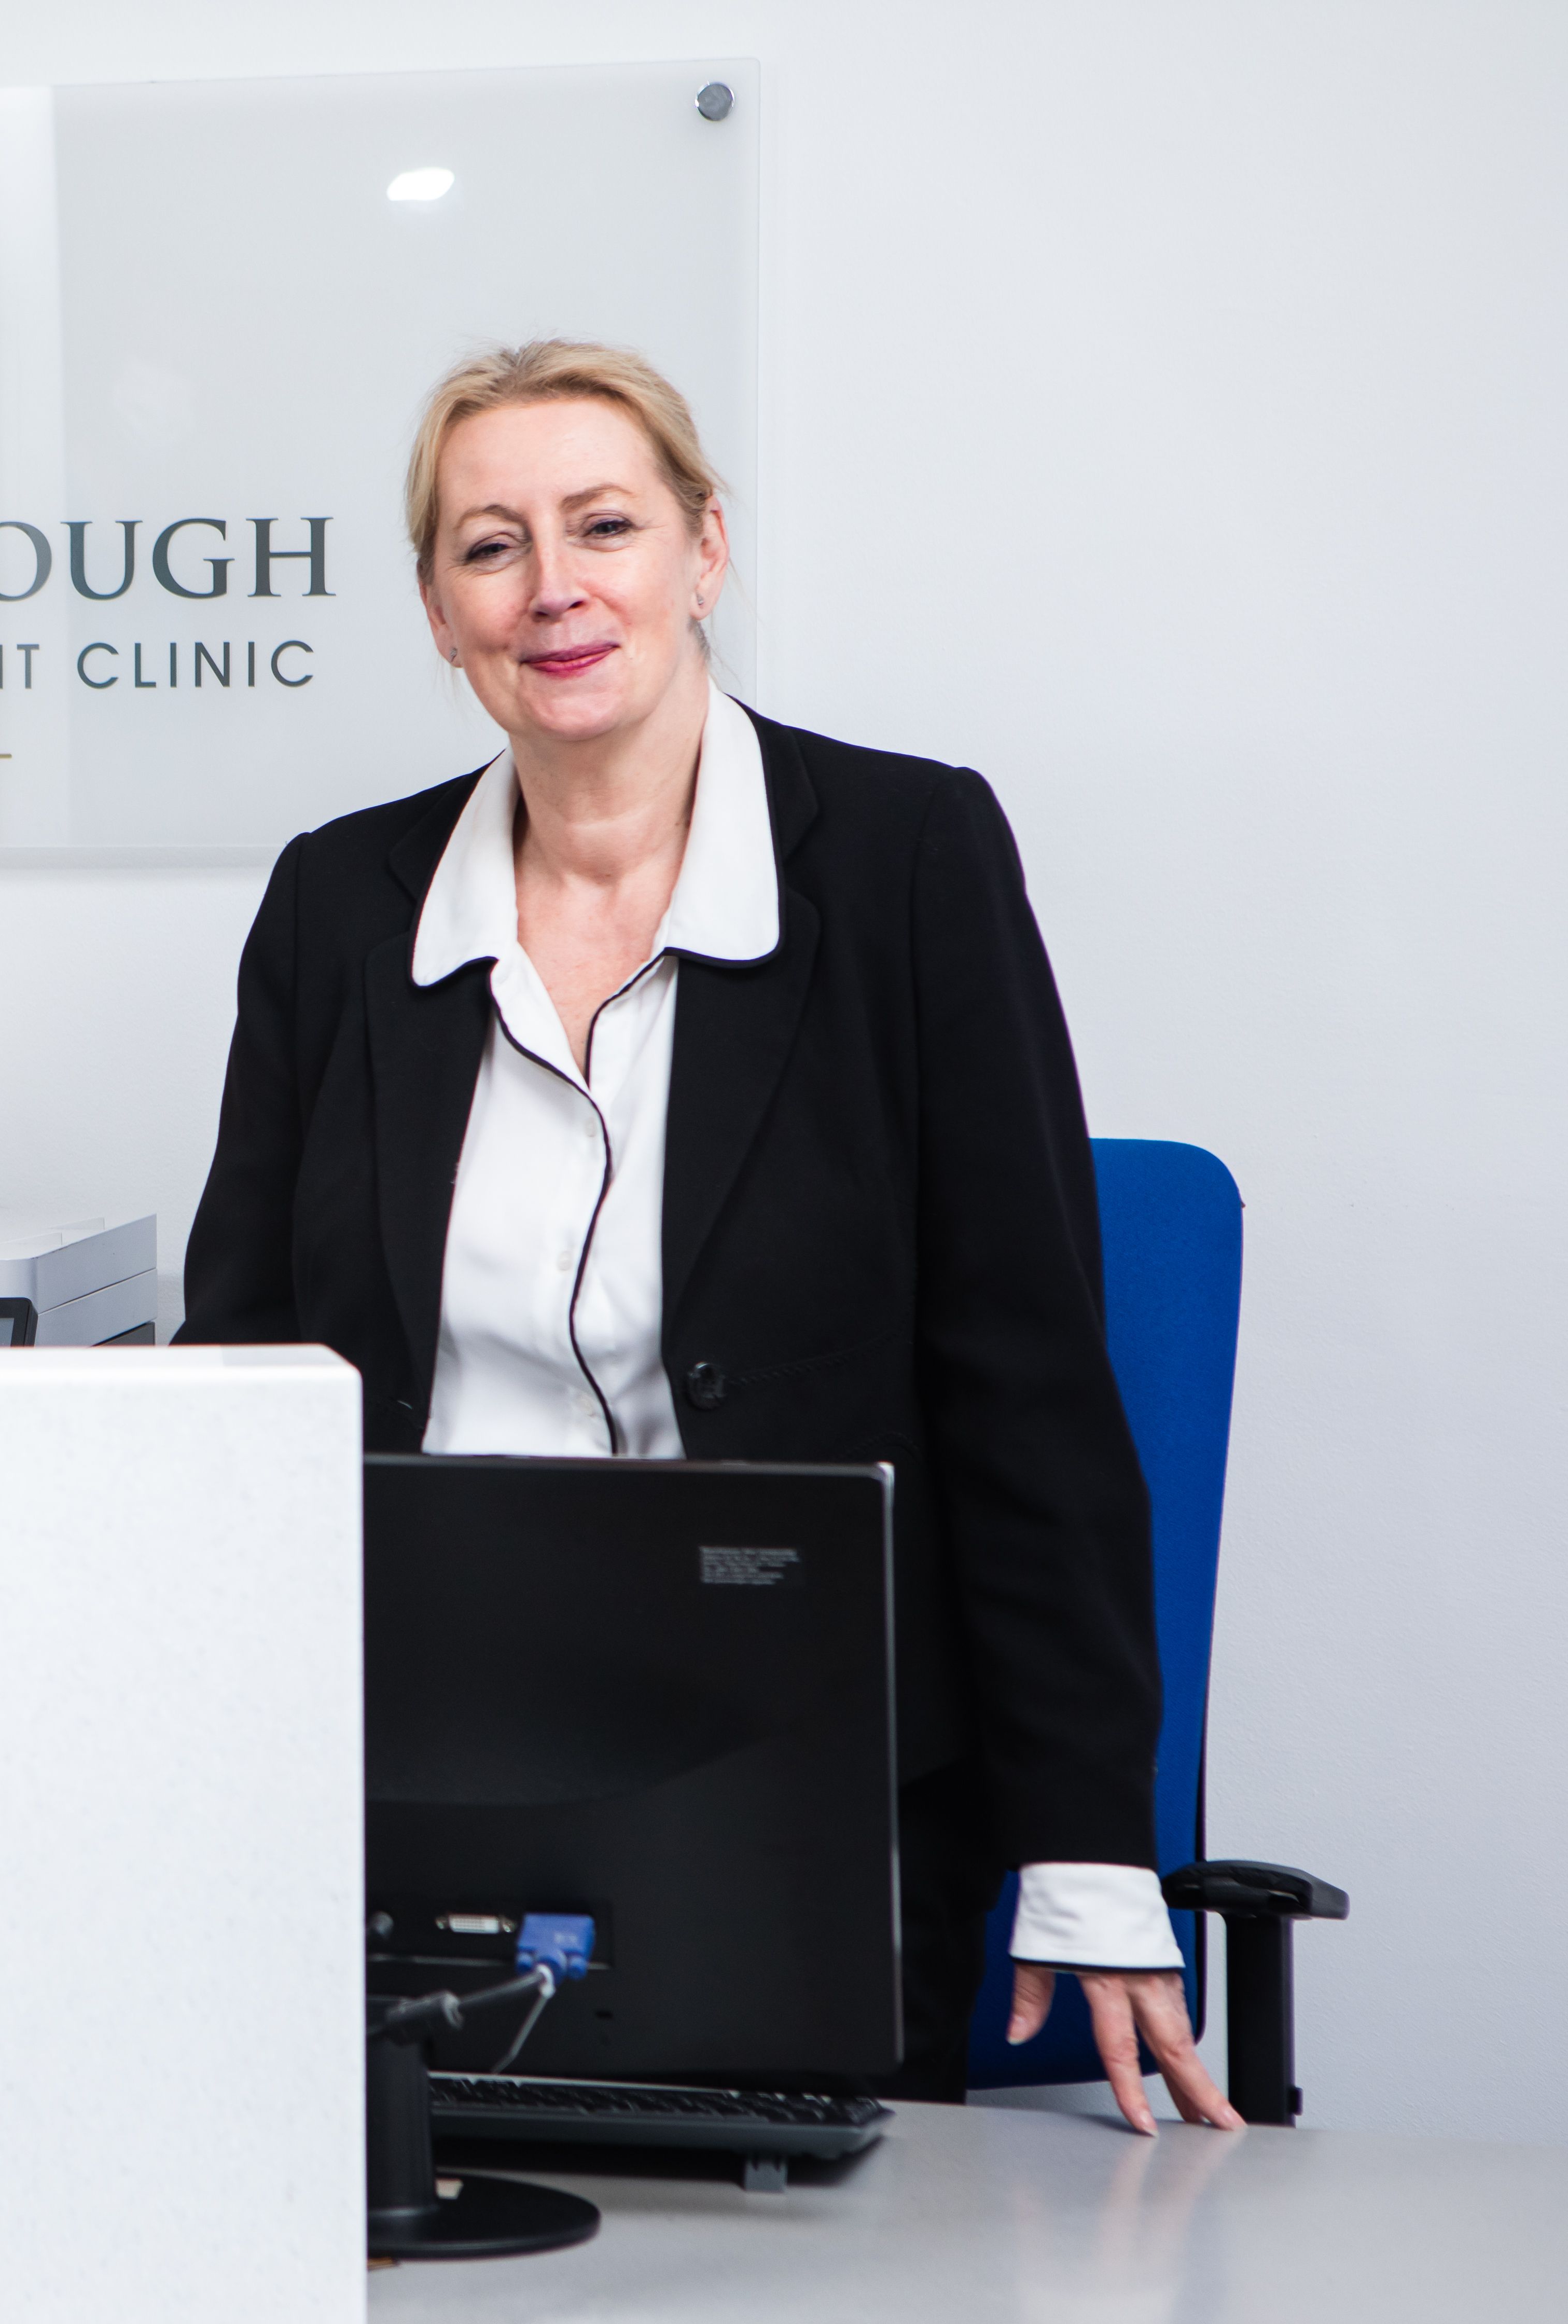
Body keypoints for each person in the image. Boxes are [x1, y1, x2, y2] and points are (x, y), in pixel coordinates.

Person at [178, 342, 1231, 2134]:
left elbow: (1029, 1382)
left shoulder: (906, 858)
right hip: (404, 1755)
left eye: (605, 524)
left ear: (705, 550)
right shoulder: (337, 903)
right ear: (438, 610)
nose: (555, 587)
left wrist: (1086, 1848)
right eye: (489, 546)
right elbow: (248, 1378)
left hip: (807, 1772)